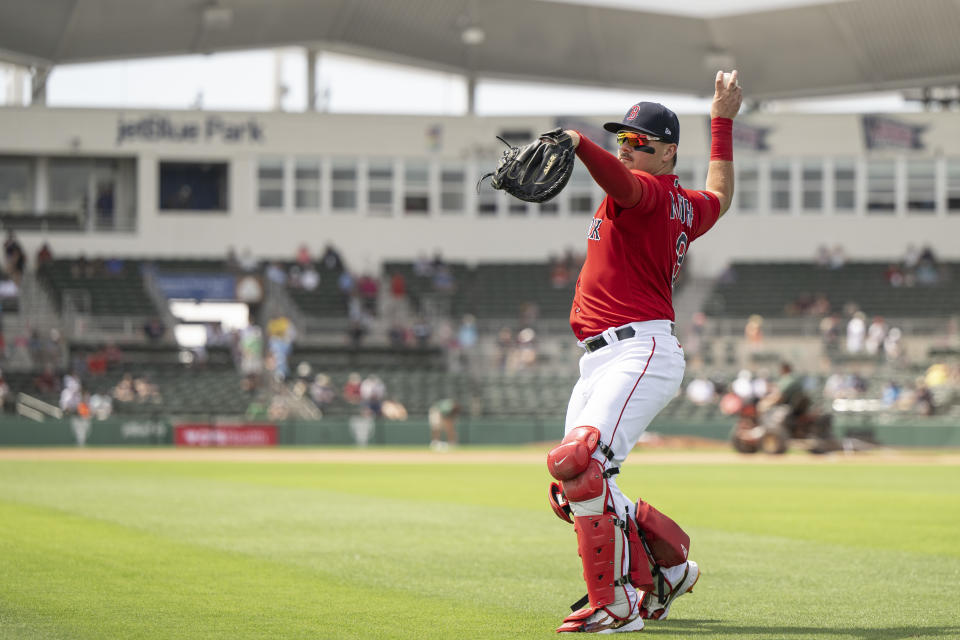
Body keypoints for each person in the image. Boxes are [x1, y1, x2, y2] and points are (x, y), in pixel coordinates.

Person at [546, 71, 741, 634]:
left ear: (667, 154)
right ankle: (671, 568)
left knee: (580, 467)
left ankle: (615, 603)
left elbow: (625, 187)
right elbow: (722, 196)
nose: (627, 150)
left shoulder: (649, 193)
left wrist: (583, 145)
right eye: (620, 141)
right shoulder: (687, 205)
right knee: (574, 487)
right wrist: (722, 119)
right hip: (606, 356)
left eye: (640, 144)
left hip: (638, 348)